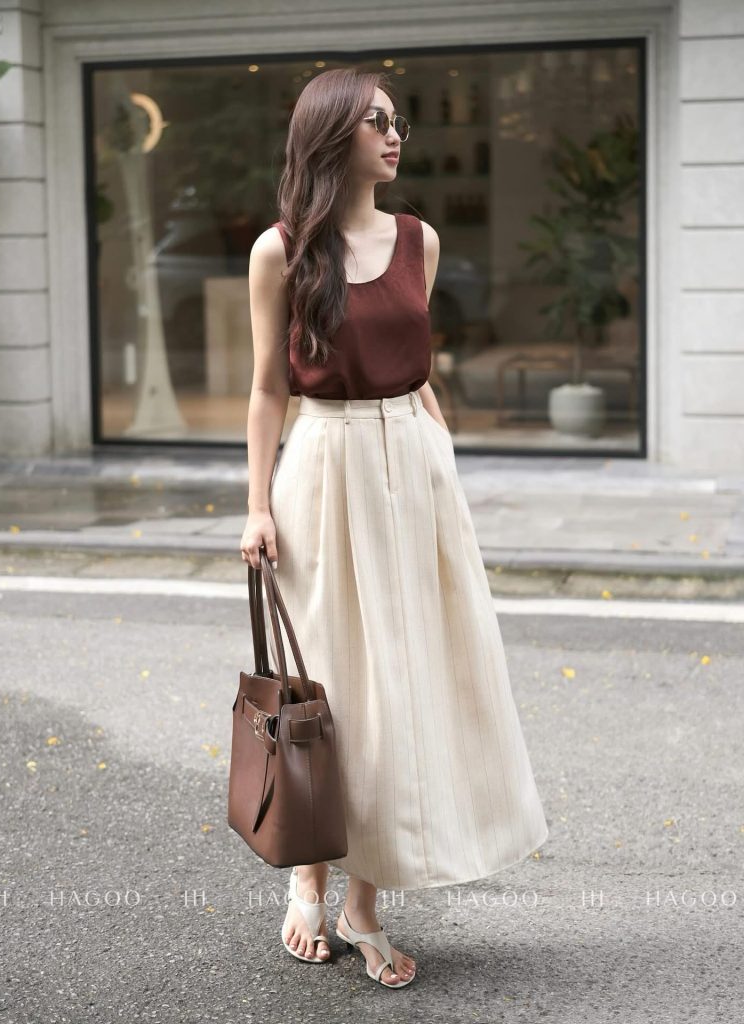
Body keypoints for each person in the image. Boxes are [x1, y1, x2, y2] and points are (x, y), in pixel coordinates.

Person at [240, 67, 548, 991]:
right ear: (333, 136)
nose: (395, 133)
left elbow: (421, 373)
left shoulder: (422, 238)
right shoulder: (280, 249)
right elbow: (267, 386)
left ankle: (363, 906)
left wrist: (443, 475)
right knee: (328, 689)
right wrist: (256, 502)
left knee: (402, 687)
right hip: (323, 468)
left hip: (412, 464)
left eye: (395, 120)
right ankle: (307, 873)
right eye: (375, 121)